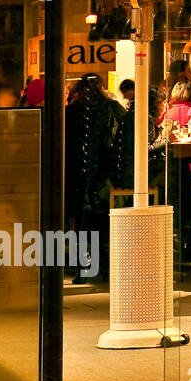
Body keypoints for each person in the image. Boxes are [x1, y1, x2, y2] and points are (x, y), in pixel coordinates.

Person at [65, 74, 124, 282]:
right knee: (102, 221)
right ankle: (106, 268)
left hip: (76, 175)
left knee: (80, 222)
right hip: (104, 175)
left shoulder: (70, 112)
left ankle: (83, 269)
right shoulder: (111, 108)